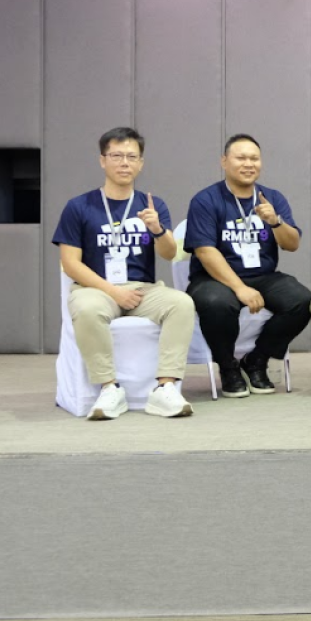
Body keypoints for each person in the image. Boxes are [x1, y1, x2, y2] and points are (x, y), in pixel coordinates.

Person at [53, 126, 194, 420]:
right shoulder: (79, 206)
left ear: (141, 163)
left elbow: (169, 253)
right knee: (87, 309)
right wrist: (114, 292)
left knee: (181, 304)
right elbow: (71, 263)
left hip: (143, 289)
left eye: (132, 157)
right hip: (95, 288)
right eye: (116, 156)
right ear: (102, 160)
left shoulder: (152, 205)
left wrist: (157, 229)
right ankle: (109, 388)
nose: (124, 163)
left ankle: (165, 388)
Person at [184, 134, 311, 397]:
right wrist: (239, 288)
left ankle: (256, 359)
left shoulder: (271, 198)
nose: (248, 164)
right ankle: (228, 367)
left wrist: (275, 222)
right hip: (214, 278)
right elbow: (205, 251)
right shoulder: (206, 200)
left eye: (254, 158)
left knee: (301, 301)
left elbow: (292, 244)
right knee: (217, 303)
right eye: (241, 158)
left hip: (263, 275)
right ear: (224, 161)